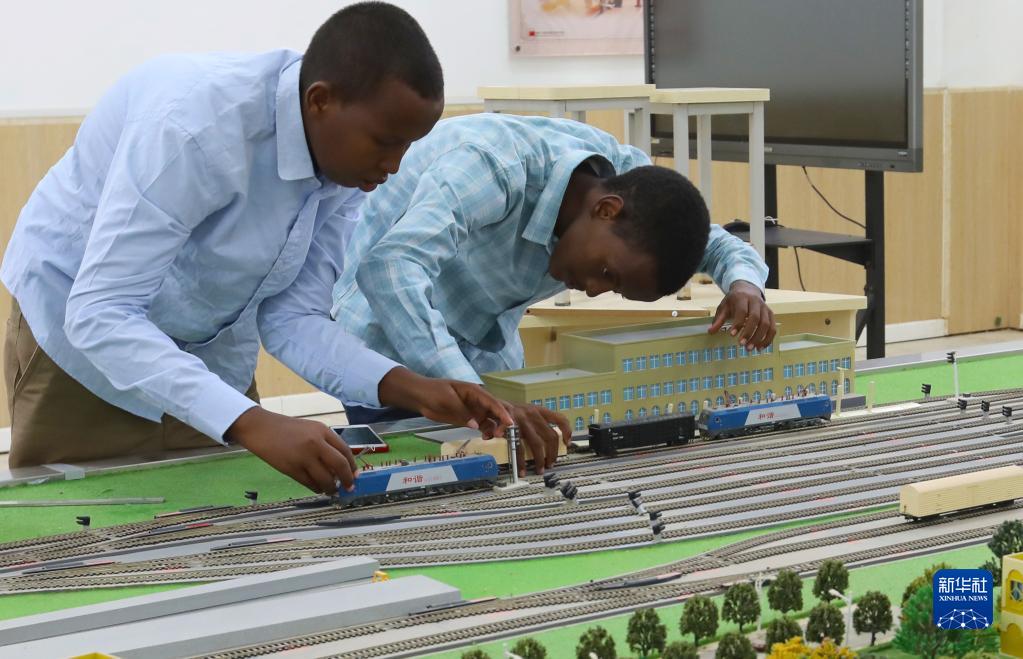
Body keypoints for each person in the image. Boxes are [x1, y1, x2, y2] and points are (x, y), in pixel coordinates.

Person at [1, 2, 515, 494]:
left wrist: (412, 388)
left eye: (407, 145)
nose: (395, 165)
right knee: (87, 528)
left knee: (223, 519)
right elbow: (101, 312)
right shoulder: (192, 128)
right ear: (319, 101)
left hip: (209, 348)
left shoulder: (346, 164)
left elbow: (293, 319)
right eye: (385, 142)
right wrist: (248, 421)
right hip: (81, 343)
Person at [331, 113, 774, 459]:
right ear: (605, 210)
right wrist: (477, 397)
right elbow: (390, 269)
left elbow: (715, 243)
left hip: (479, 348)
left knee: (502, 472)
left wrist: (745, 286)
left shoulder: (634, 193)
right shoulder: (492, 167)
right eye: (608, 274)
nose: (595, 290)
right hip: (388, 340)